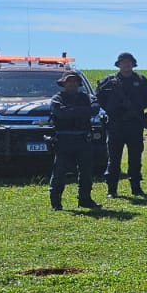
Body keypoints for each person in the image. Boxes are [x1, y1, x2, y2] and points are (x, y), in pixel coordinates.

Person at [95, 51, 147, 197]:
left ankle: (136, 188)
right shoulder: (110, 80)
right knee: (114, 159)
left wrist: (137, 108)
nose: (126, 64)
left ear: (133, 64)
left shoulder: (140, 80)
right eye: (123, 62)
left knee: (135, 158)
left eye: (129, 62)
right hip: (116, 124)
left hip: (135, 124)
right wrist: (112, 109)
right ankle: (112, 190)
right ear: (119, 64)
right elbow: (99, 98)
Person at [48, 71, 99, 210]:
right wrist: (82, 111)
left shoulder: (86, 97)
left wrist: (71, 111)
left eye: (75, 81)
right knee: (59, 172)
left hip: (83, 139)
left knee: (86, 172)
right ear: (63, 83)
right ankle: (55, 202)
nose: (72, 84)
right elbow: (60, 113)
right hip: (64, 140)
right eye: (69, 81)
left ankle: (85, 199)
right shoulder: (57, 98)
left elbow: (95, 109)